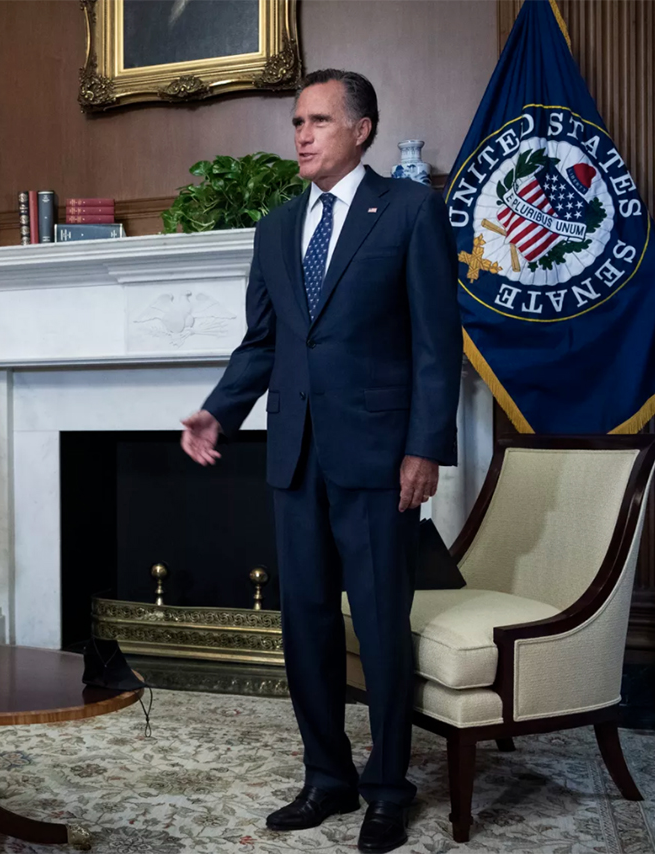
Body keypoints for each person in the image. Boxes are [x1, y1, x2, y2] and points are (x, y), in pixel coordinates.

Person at [180, 70, 461, 854]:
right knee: (303, 627)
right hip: (293, 456)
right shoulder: (276, 229)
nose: (300, 135)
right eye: (296, 121)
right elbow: (264, 343)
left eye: (317, 121)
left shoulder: (409, 212)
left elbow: (439, 347)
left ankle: (387, 790)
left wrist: (424, 448)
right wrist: (219, 409)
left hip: (380, 461)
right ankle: (327, 779)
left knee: (377, 626)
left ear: (362, 129)